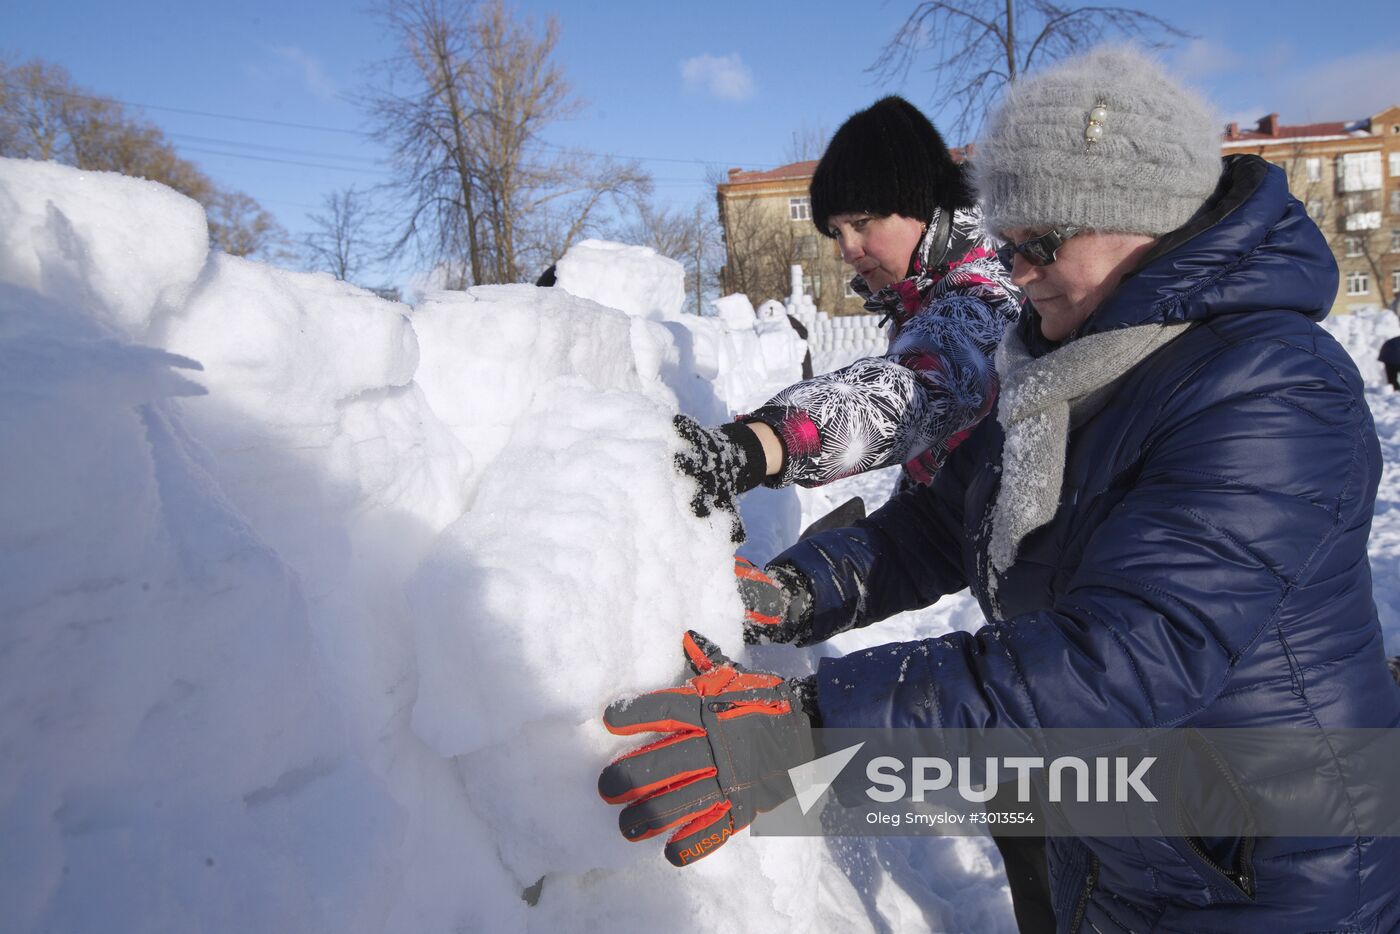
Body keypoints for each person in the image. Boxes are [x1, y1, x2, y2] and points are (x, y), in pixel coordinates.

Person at [600, 47, 1400, 930]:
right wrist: (788, 592)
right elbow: (946, 526)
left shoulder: (1270, 389)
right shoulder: (1067, 357)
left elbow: (1129, 654)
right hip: (1122, 826)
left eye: (1038, 245)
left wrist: (812, 728)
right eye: (1008, 243)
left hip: (1267, 859)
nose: (1013, 272)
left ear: (1138, 217)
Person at [672, 96, 1020, 537]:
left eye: (863, 222)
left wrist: (750, 449)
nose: (846, 250)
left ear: (922, 203)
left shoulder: (986, 291)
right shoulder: (920, 294)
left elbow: (918, 388)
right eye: (837, 231)